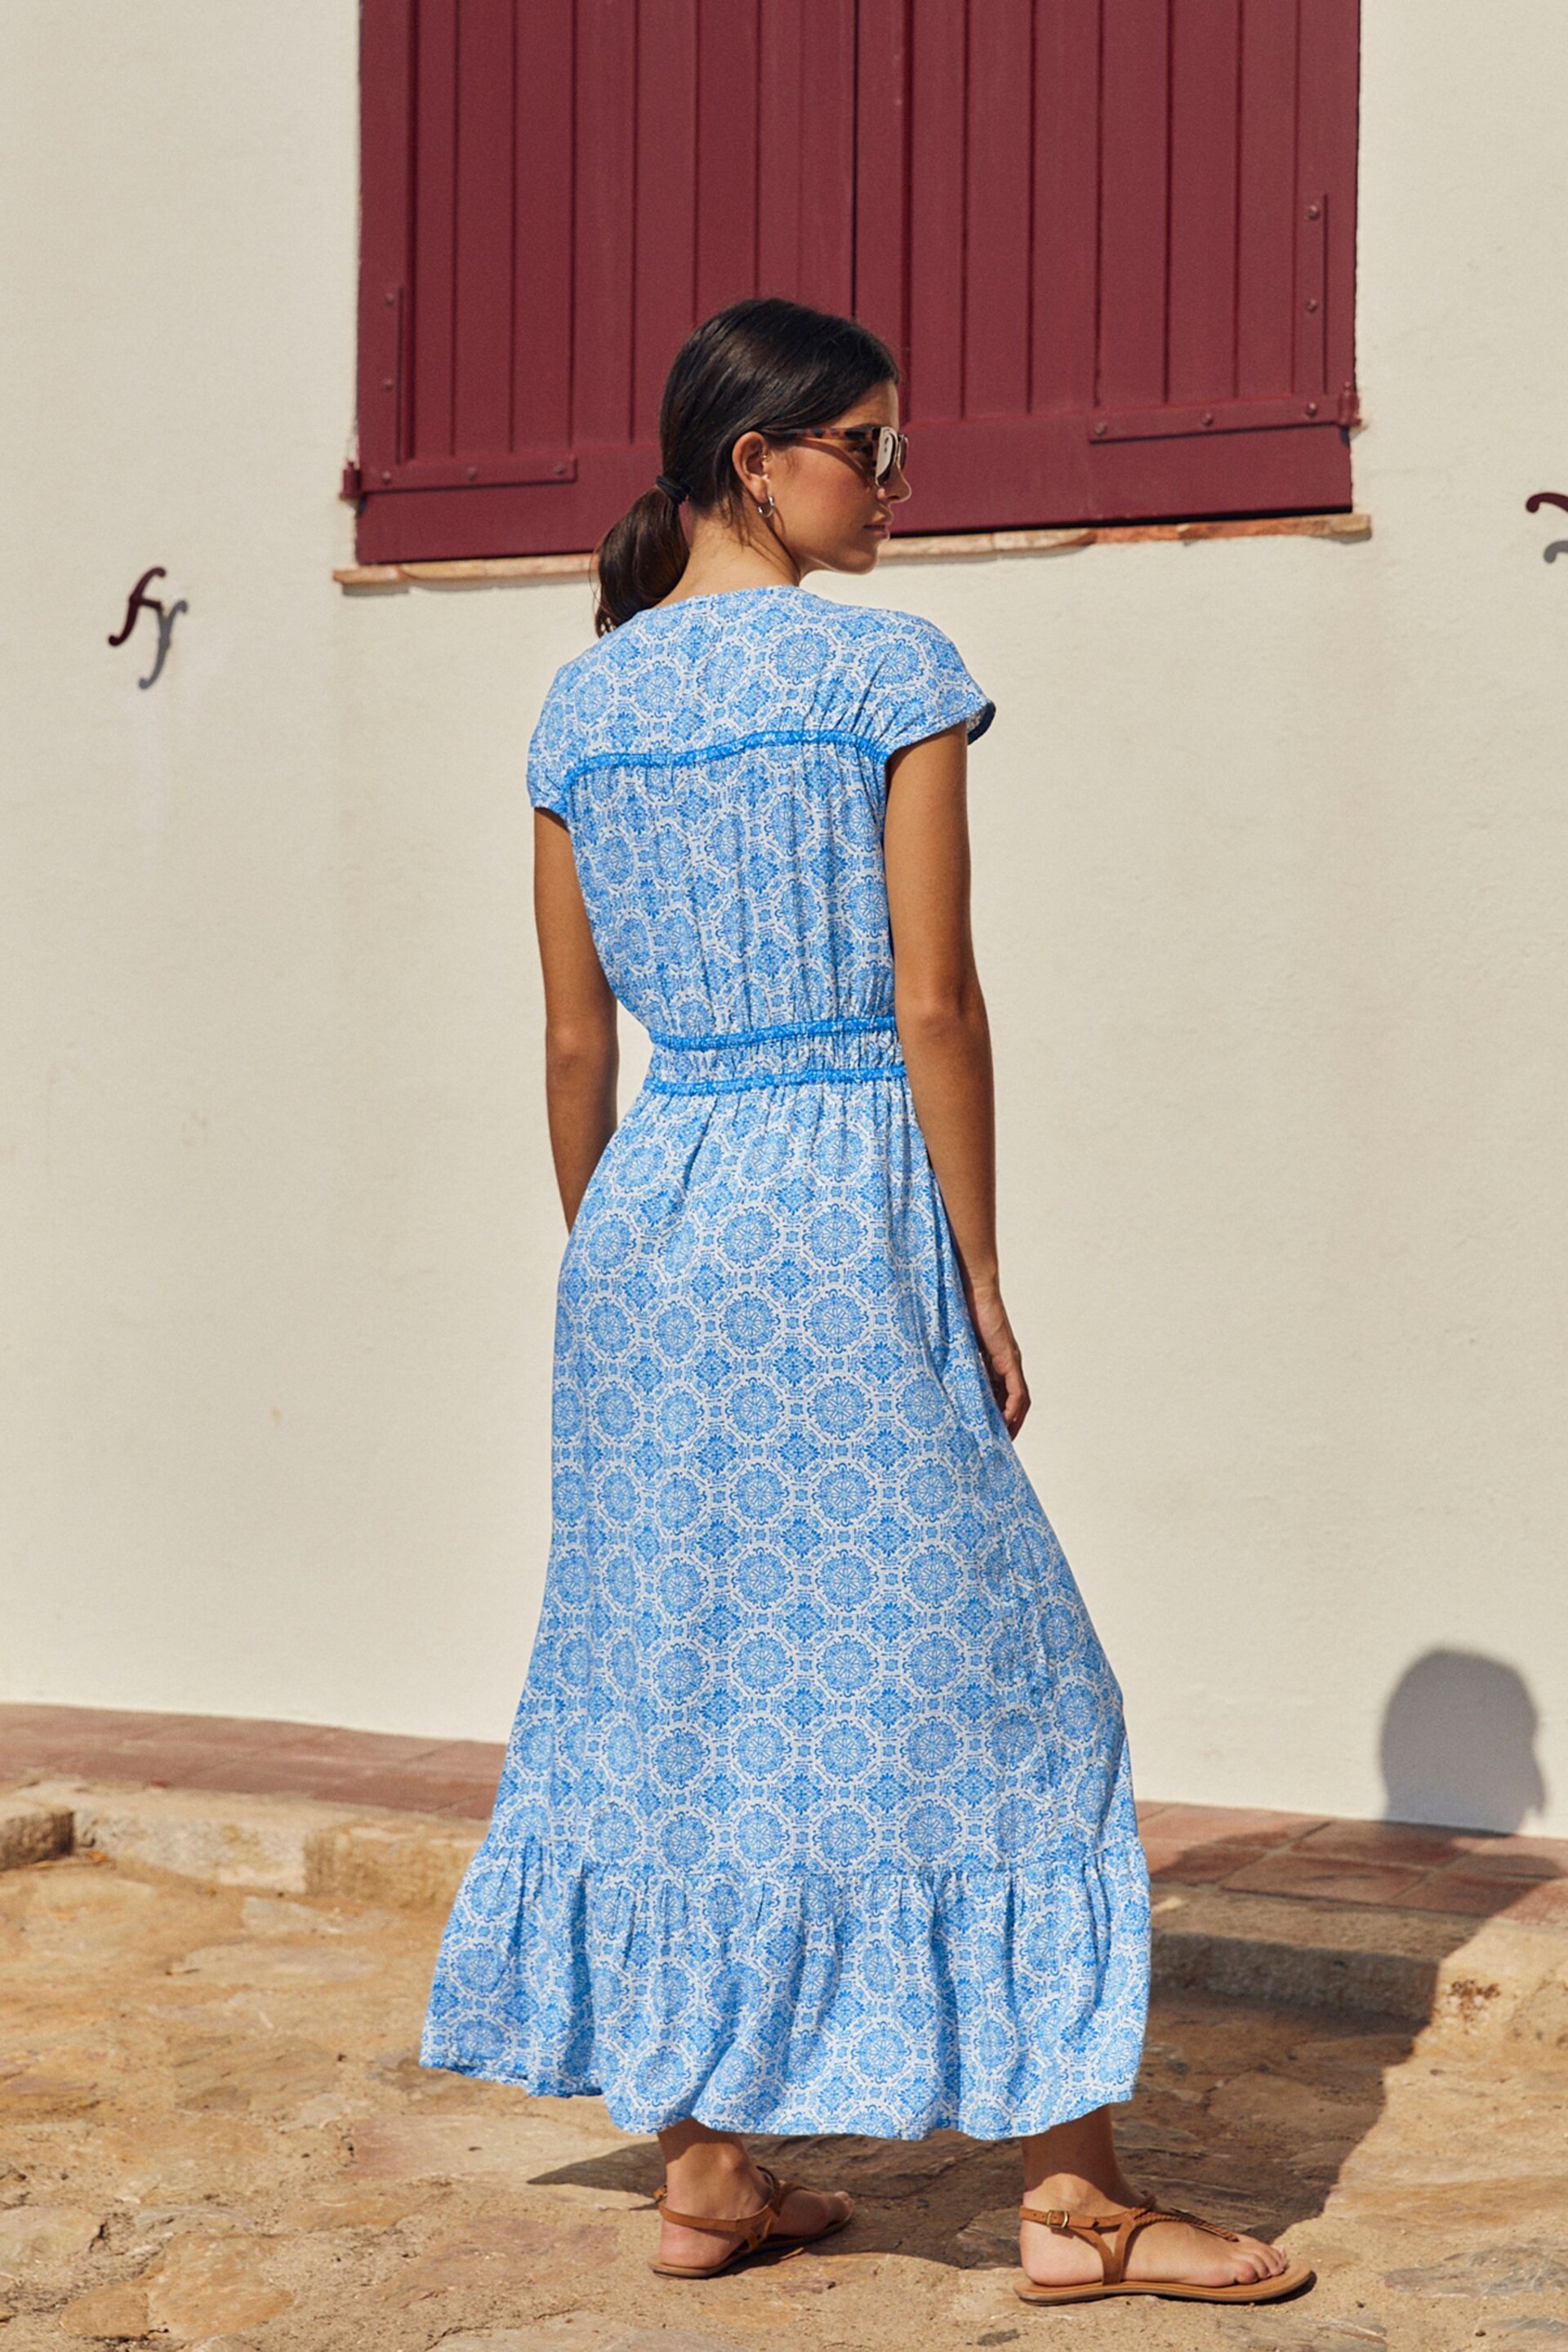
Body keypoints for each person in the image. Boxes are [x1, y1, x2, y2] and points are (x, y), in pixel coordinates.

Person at [421, 296, 1308, 2311]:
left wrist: (619, 1261)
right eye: (877, 453)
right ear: (763, 462)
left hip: (650, 1221)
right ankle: (1075, 2203)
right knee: (1014, 1693)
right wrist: (978, 1270)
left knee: (685, 1684)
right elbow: (933, 1002)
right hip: (841, 1204)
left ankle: (707, 2173)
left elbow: (573, 1047)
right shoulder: (886, 668)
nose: (902, 490)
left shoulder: (582, 704)